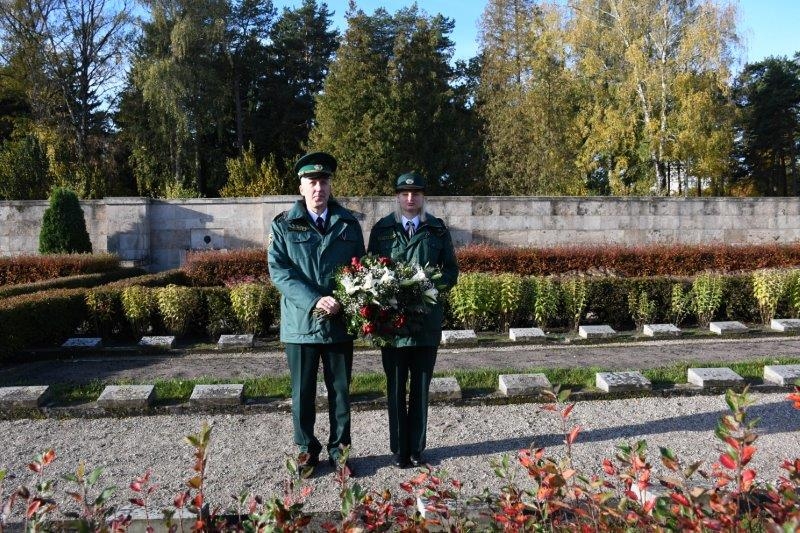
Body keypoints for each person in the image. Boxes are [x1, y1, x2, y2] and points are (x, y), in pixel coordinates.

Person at [267, 151, 365, 474]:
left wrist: (338, 299)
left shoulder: (349, 224)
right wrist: (314, 299)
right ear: (301, 187)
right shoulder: (283, 226)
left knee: (340, 391)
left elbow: (359, 270)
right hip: (300, 324)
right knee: (303, 393)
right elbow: (280, 272)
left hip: (338, 322)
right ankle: (306, 450)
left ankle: (341, 451)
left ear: (330, 185)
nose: (318, 188)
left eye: (323, 181)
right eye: (312, 182)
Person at [367, 171, 459, 468]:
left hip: (425, 322)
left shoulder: (437, 229)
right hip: (391, 325)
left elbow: (450, 271)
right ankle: (398, 449)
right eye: (405, 194)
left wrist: (427, 286)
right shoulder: (382, 230)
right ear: (397, 196)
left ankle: (417, 448)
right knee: (395, 388)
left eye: (416, 193)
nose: (410, 199)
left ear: (423, 197)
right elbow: (369, 272)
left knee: (420, 387)